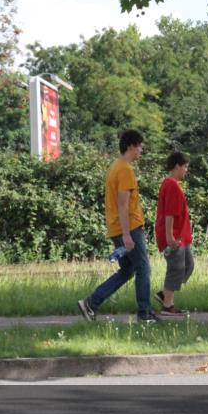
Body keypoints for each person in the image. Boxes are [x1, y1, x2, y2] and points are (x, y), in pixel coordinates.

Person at [78, 129, 157, 323]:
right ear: (130, 146)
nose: (141, 149)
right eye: (139, 146)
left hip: (117, 227)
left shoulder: (115, 166)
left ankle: (91, 302)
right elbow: (123, 204)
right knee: (143, 268)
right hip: (128, 228)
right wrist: (127, 235)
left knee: (127, 270)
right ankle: (144, 313)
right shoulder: (125, 170)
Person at [154, 151, 194, 317]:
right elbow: (170, 213)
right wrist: (169, 236)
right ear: (177, 166)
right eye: (185, 167)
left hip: (182, 236)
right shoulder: (171, 185)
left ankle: (165, 294)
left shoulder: (173, 184)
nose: (186, 170)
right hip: (175, 236)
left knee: (188, 266)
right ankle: (168, 306)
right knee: (176, 269)